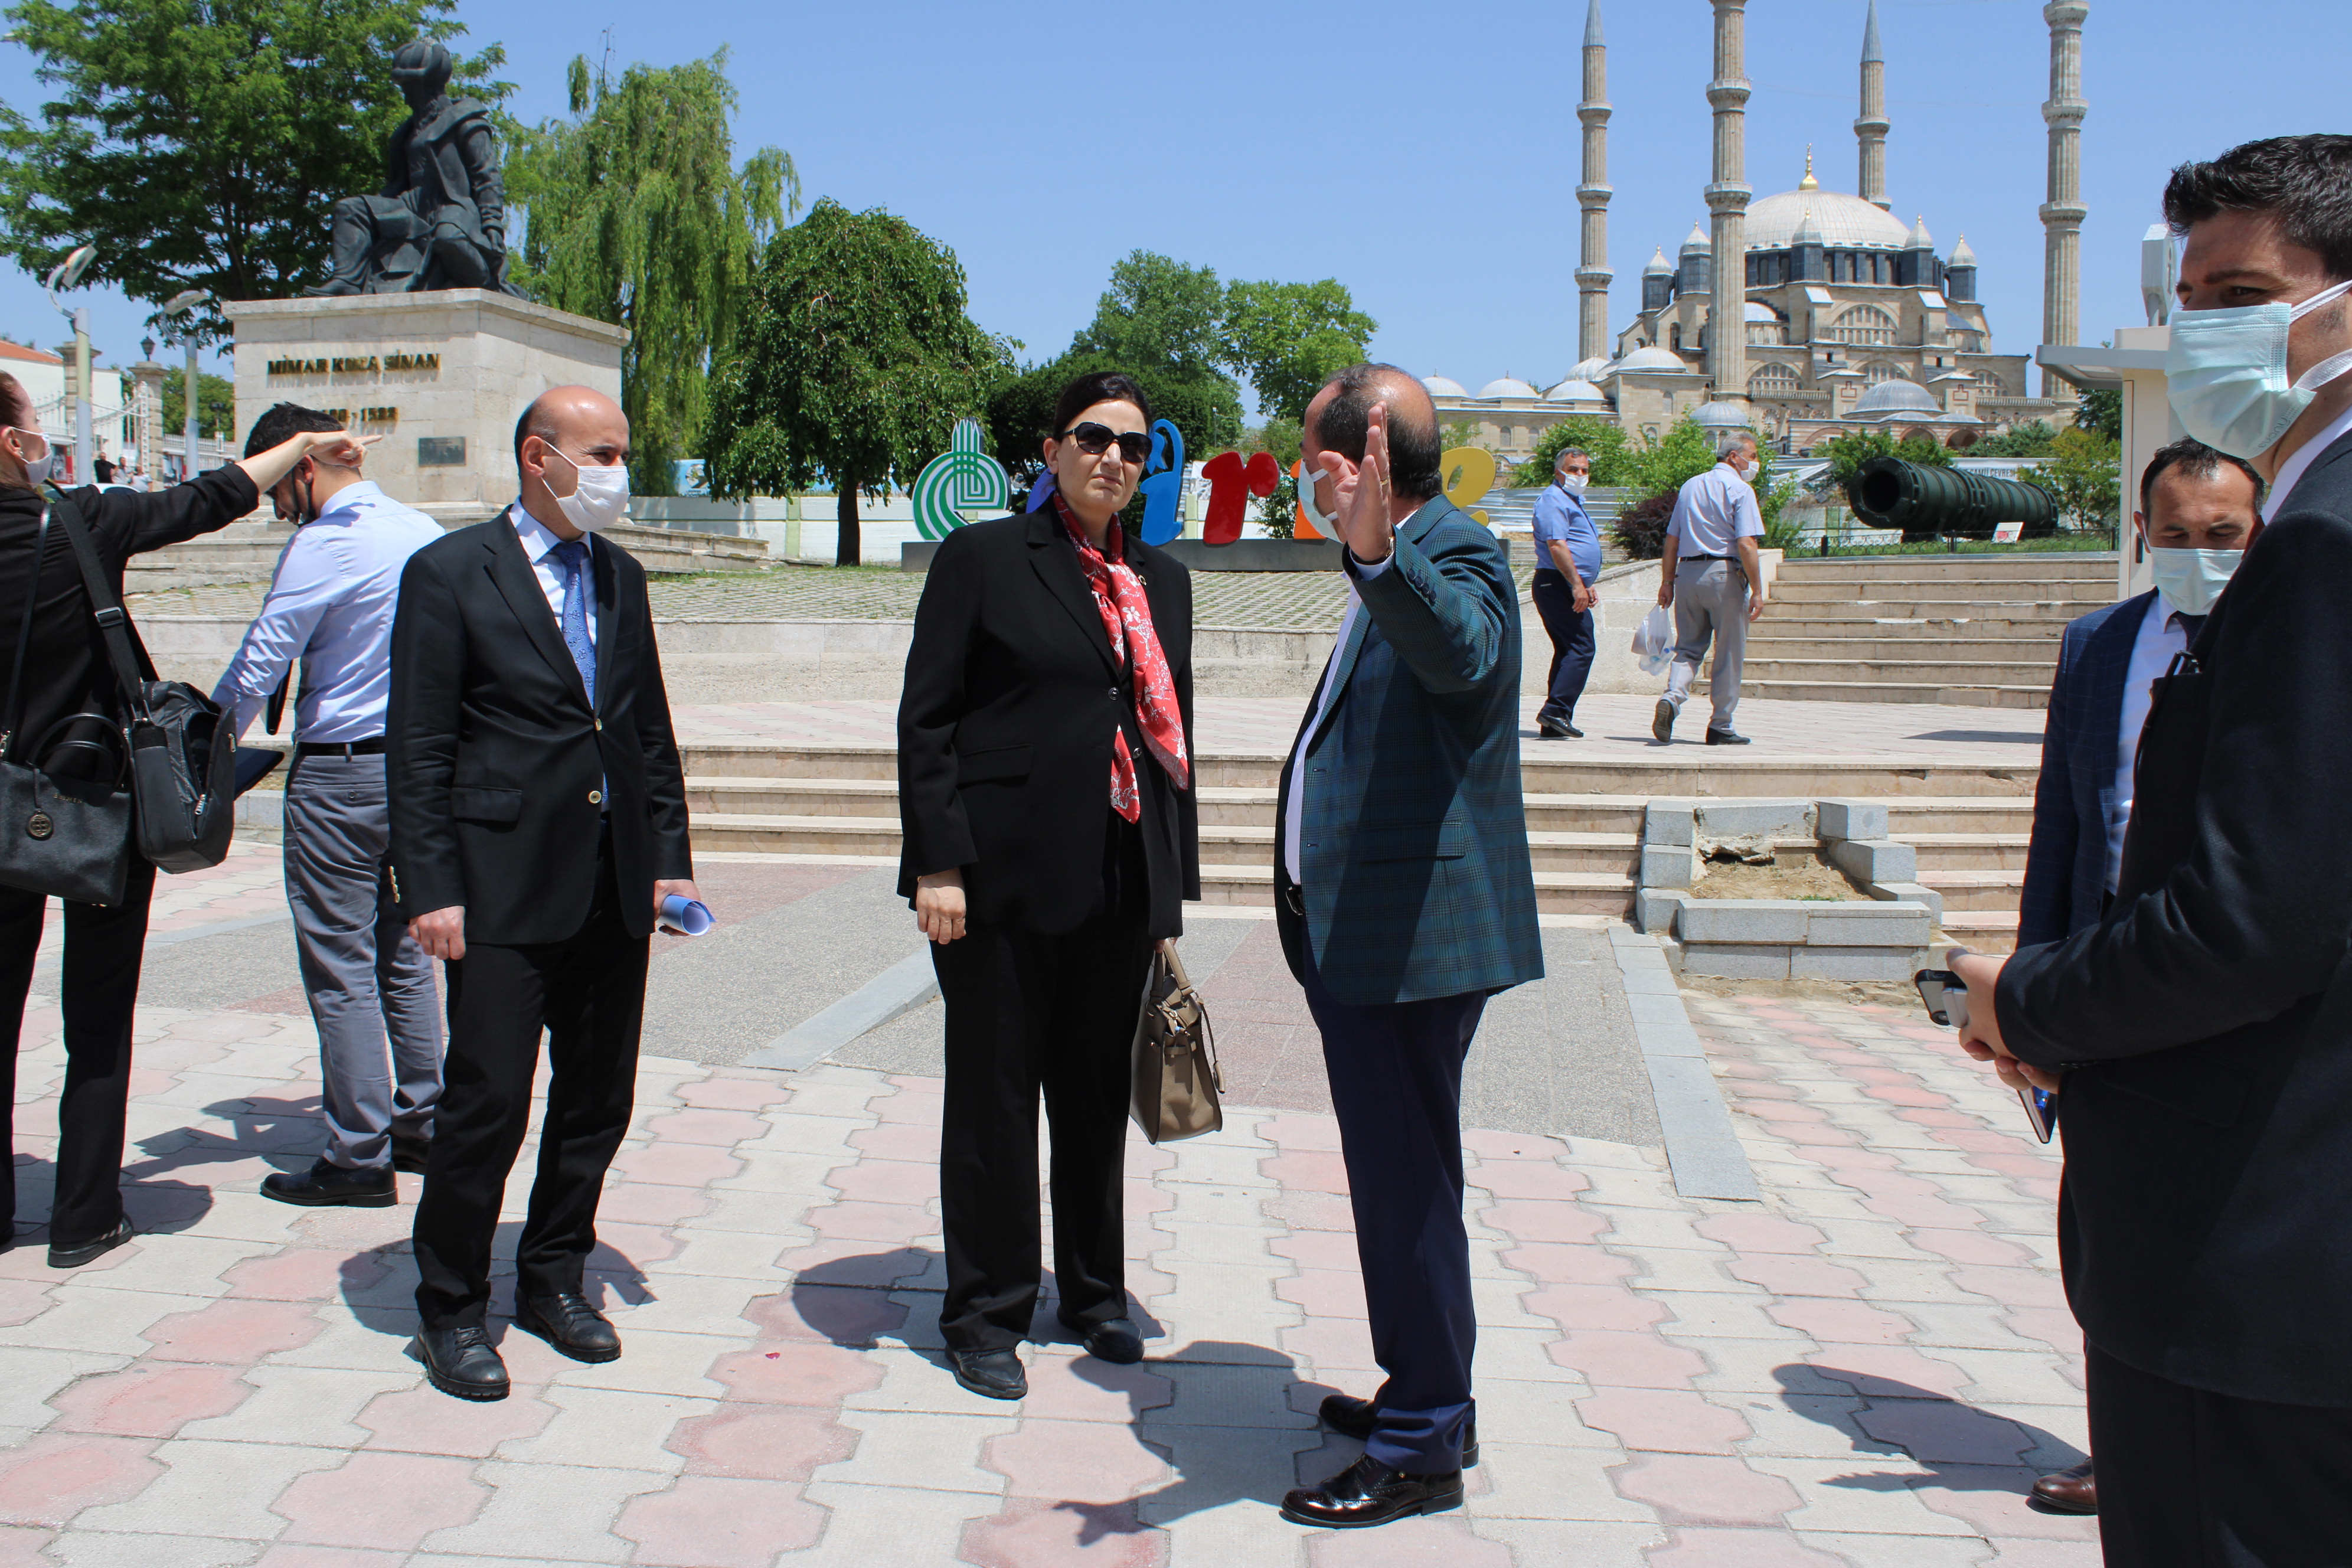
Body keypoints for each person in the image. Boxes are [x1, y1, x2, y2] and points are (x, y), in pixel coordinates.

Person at [1952, 135, 2352, 1565]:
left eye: (2245, 289)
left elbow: (2256, 919)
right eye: (2192, 295)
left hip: (2253, 1247)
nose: (2205, 332)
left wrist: (2029, 1000)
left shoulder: (2321, 543)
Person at [0, 378, 369, 1268]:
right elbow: (211, 499)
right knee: (96, 1016)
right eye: (37, 428)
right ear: (14, 445)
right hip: (96, 807)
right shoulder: (78, 522)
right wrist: (306, 444)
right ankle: (85, 1214)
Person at [387, 385, 698, 1401]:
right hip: (499, 886)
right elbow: (421, 743)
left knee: (597, 1098)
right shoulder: (448, 573)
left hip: (612, 884)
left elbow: (645, 730)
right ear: (539, 456)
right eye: (601, 453)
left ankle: (553, 1276)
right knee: (486, 1104)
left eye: (619, 452)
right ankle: (449, 1306)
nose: (617, 471)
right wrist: (429, 884)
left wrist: (670, 858)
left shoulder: (622, 576)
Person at [1272, 364, 1542, 1528]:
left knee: (1408, 1185)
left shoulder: (1456, 555)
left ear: (1348, 464)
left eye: (1307, 456)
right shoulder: (1395, 551)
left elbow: (1468, 657)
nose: (1301, 475)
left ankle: (1425, 1441)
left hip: (1409, 944)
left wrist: (1382, 556)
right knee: (1399, 1177)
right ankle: (1425, 1392)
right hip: (1366, 934)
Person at [897, 370, 1198, 1402]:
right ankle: (982, 1311)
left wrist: (1166, 894)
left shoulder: (1162, 578)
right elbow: (925, 719)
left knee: (1089, 1095)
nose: (1111, 457)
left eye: (1131, 444)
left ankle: (1091, 1290)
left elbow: (1169, 744)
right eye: (1090, 437)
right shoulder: (983, 558)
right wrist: (936, 863)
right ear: (1050, 449)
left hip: (1114, 883)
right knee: (992, 1099)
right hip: (997, 883)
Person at [2011, 436, 2261, 1519]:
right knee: (2099, 1229)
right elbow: (2061, 824)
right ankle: (2125, 1443)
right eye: (2176, 537)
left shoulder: (2280, 646)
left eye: (2222, 539)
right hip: (2100, 977)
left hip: (2229, 978)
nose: (2198, 556)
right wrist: (2024, 989)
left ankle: (2236, 1448)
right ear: (2138, 537)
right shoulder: (2098, 645)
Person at [212, 402, 446, 1210]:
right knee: (407, 951)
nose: (277, 507)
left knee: (340, 966)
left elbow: (260, 660)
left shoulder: (325, 543)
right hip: (417, 775)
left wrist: (198, 758)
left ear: (302, 466)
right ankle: (423, 1120)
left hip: (340, 777)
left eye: (277, 488)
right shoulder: (421, 530)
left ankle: (357, 1155)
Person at [1651, 432, 1768, 745]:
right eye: (1752, 456)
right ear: (1734, 456)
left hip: (1687, 574)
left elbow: (1672, 539)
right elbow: (1746, 542)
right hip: (1723, 574)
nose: (1755, 462)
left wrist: (1667, 581)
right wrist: (1757, 589)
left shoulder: (1690, 486)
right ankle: (1721, 724)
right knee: (1729, 652)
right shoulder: (1740, 489)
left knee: (1688, 647)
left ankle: (1673, 697)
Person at [1528, 446, 1602, 739]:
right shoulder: (1553, 500)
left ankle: (1554, 721)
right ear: (1559, 472)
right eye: (1573, 470)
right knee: (1582, 647)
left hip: (1563, 582)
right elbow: (1557, 545)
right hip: (1555, 583)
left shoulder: (1574, 500)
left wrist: (1585, 581)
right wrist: (1575, 584)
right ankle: (1555, 710)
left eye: (1584, 470)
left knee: (1568, 649)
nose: (1580, 475)